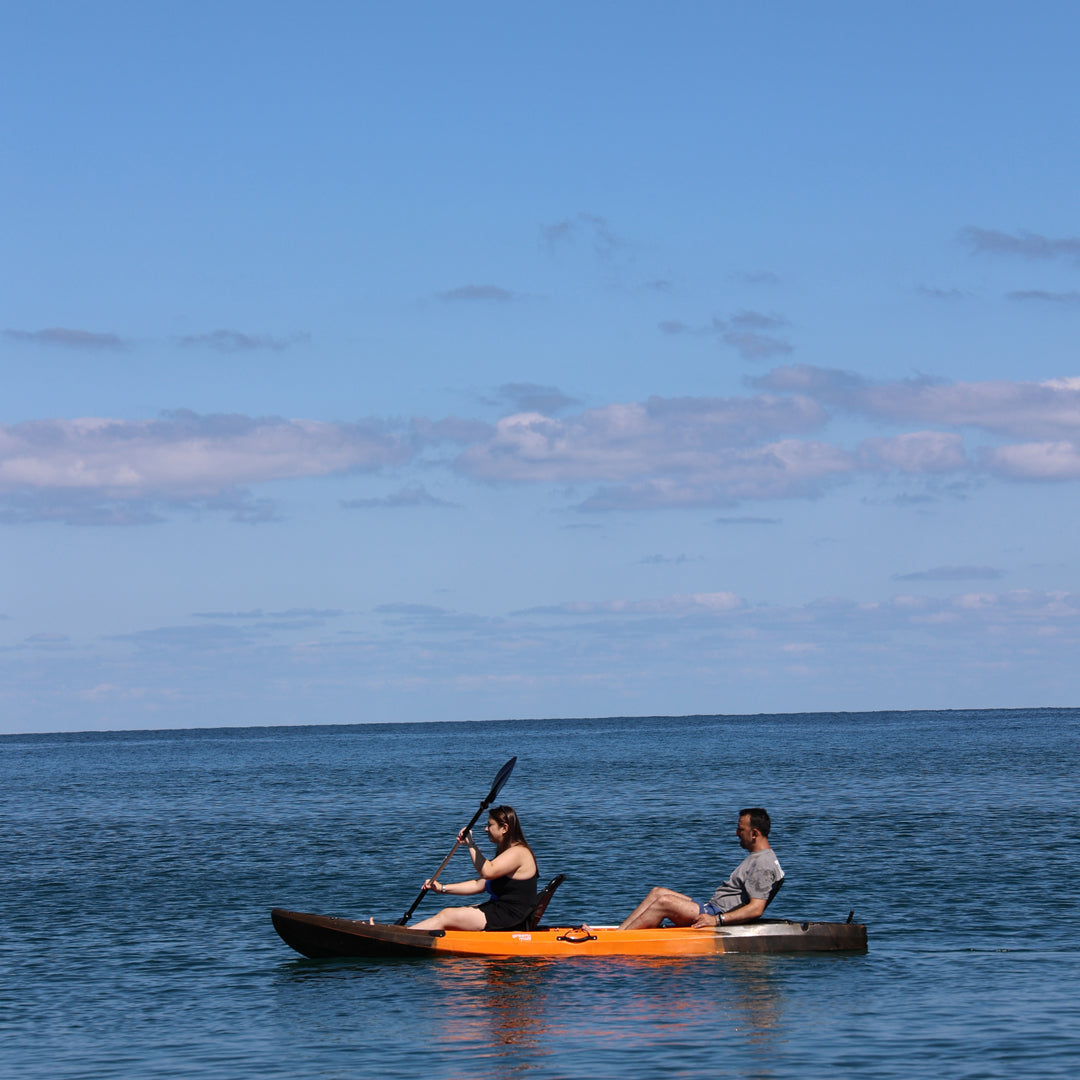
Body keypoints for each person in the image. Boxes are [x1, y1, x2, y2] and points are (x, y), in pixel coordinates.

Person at [618, 808, 784, 930]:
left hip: (715, 915)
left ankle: (620, 942)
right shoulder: (758, 857)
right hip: (710, 908)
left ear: (754, 833)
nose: (736, 833)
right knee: (657, 892)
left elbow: (756, 908)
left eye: (740, 829)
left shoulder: (763, 864)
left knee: (664, 902)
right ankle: (620, 933)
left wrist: (717, 920)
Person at [410, 805, 538, 932]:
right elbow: (478, 885)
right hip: (500, 910)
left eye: (490, 825)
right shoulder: (507, 853)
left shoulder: (519, 852)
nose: (486, 829)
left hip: (511, 916)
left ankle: (406, 936)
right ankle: (408, 932)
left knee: (447, 915)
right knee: (454, 916)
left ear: (504, 828)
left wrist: (471, 844)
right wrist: (442, 888)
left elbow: (488, 871)